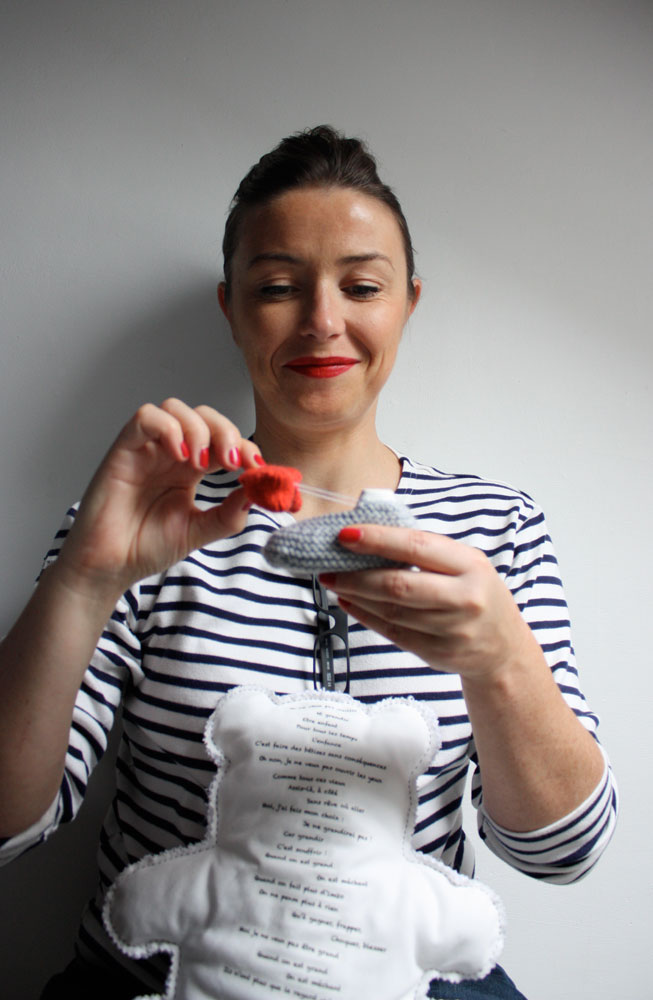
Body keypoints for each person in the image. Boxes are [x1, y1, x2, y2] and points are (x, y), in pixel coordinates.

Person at [0, 126, 617, 1000]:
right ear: (231, 307)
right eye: (278, 287)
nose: (322, 321)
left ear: (407, 302)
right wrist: (85, 579)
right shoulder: (138, 520)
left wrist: (499, 660)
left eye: (361, 286)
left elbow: (565, 852)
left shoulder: (495, 529)